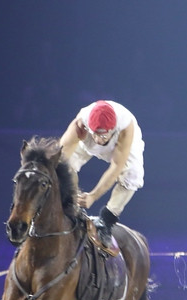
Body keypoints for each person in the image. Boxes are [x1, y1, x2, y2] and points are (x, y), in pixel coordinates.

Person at [58, 100, 145, 245]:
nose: (98, 140)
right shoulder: (80, 125)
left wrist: (93, 196)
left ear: (112, 130)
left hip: (120, 144)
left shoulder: (125, 128)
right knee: (65, 165)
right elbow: (60, 158)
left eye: (102, 136)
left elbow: (116, 167)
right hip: (87, 137)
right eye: (95, 135)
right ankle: (72, 206)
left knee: (133, 175)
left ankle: (107, 219)